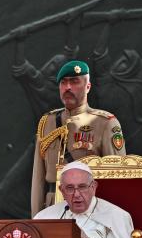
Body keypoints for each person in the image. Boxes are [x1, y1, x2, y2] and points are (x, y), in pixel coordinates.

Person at [31, 60, 126, 216]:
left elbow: (117, 178)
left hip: (90, 210)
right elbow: (38, 177)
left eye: (74, 82)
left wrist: (110, 218)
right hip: (52, 206)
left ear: (88, 86)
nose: (68, 87)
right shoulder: (47, 122)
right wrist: (36, 217)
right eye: (63, 82)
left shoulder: (105, 123)